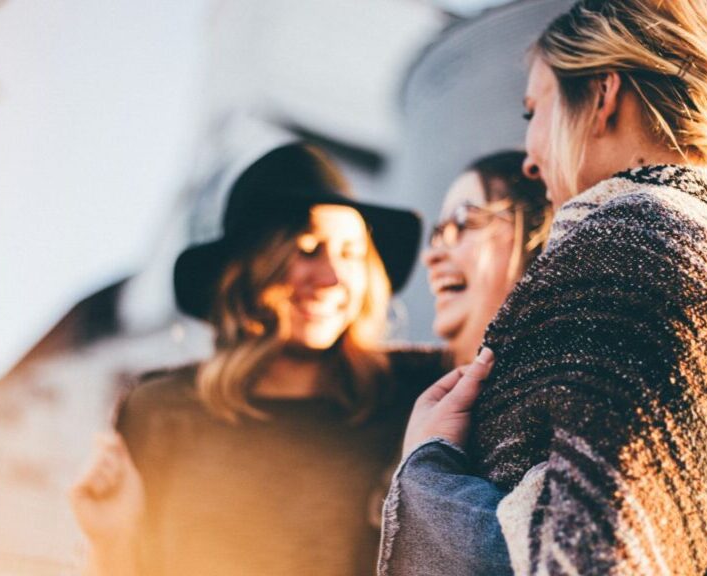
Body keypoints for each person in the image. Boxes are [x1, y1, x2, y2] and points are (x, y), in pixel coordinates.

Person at [381, 1, 707, 575]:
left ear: (603, 94)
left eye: (534, 110)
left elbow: (585, 556)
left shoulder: (624, 248)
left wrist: (426, 468)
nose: (531, 161)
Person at [69, 142, 448, 576]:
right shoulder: (159, 411)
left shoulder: (413, 396)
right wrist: (108, 538)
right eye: (308, 249)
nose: (333, 278)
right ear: (249, 270)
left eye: (350, 254)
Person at [424, 150, 550, 366]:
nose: (431, 256)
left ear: (536, 234)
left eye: (462, 220)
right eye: (438, 232)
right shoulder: (385, 389)